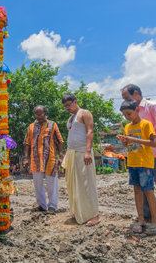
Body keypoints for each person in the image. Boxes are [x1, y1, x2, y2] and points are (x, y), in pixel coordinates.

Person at [122, 84, 156, 226]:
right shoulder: (132, 113)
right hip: (142, 155)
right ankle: (147, 215)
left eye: (127, 97)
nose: (125, 101)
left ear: (136, 94)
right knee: (145, 186)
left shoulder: (152, 106)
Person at [117, 99, 156, 235]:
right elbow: (129, 145)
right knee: (137, 191)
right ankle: (141, 219)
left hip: (145, 163)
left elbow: (154, 143)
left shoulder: (146, 124)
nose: (127, 117)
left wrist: (135, 139)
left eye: (129, 114)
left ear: (137, 110)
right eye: (125, 115)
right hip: (132, 163)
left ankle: (155, 220)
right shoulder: (127, 127)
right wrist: (125, 141)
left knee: (148, 191)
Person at [61, 94, 100, 226]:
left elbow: (90, 132)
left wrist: (88, 151)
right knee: (74, 184)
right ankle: (78, 211)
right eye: (65, 106)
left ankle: (94, 215)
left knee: (87, 183)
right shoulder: (71, 118)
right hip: (72, 153)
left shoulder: (84, 113)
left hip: (83, 152)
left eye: (69, 105)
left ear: (75, 101)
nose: (67, 108)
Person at [23, 105, 64, 212]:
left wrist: (61, 156)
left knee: (52, 183)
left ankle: (52, 206)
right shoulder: (30, 127)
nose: (38, 116)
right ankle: (41, 205)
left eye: (40, 114)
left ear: (45, 113)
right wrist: (26, 158)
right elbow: (27, 143)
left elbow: (59, 141)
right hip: (35, 160)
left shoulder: (53, 125)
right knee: (37, 183)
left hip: (50, 158)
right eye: (36, 114)